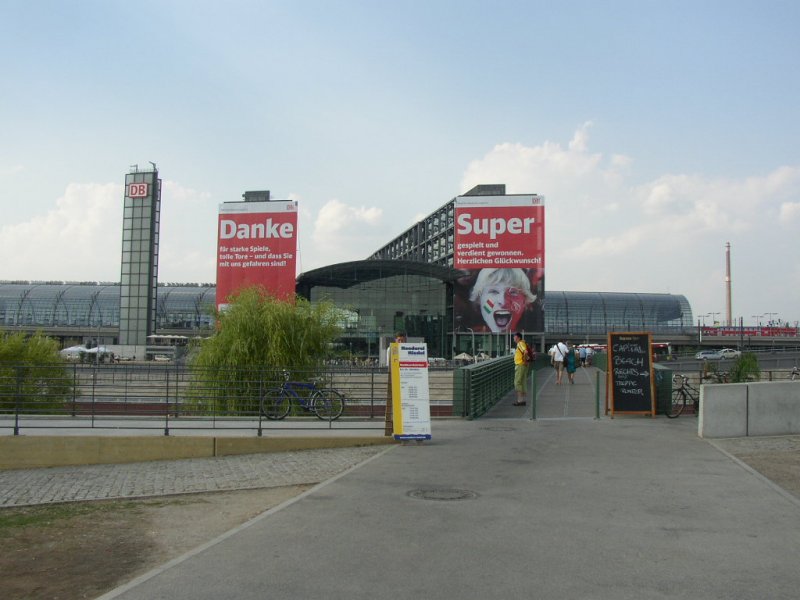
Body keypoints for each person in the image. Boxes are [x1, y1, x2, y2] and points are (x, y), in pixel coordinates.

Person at [468, 268, 538, 333]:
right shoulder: (469, 335)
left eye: (513, 292)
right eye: (494, 291)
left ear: (524, 301)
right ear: (479, 299)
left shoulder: (531, 339)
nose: (503, 302)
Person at [512, 332, 531, 406]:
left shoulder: (520, 343)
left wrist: (525, 361)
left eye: (514, 337)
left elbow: (525, 352)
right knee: (522, 382)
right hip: (523, 365)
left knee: (517, 382)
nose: (513, 338)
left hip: (520, 365)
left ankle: (519, 400)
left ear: (518, 338)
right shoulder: (523, 343)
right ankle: (522, 400)